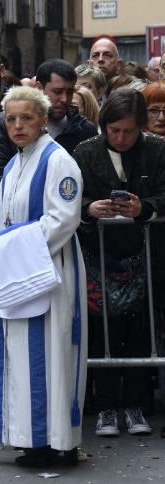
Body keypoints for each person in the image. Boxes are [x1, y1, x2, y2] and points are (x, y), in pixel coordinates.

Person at [0, 85, 87, 467]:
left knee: (53, 357)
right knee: (18, 358)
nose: (17, 125)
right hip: (15, 274)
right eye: (11, 119)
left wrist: (12, 255)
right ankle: (31, 440)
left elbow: (63, 219)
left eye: (26, 118)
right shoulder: (15, 164)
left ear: (43, 120)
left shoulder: (59, 161)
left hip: (50, 272)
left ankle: (59, 444)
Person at [73, 89, 165, 439]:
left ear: (140, 127)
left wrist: (144, 208)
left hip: (146, 256)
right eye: (115, 131)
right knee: (101, 333)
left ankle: (137, 403)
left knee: (141, 331)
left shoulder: (157, 150)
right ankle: (107, 404)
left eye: (129, 131)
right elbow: (67, 196)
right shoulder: (84, 152)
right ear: (104, 127)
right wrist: (89, 209)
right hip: (98, 257)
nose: (122, 138)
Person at [0, 59, 96, 199]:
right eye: (57, 91)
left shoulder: (84, 129)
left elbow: (89, 184)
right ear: (38, 88)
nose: (64, 99)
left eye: (70, 92)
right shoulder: (2, 124)